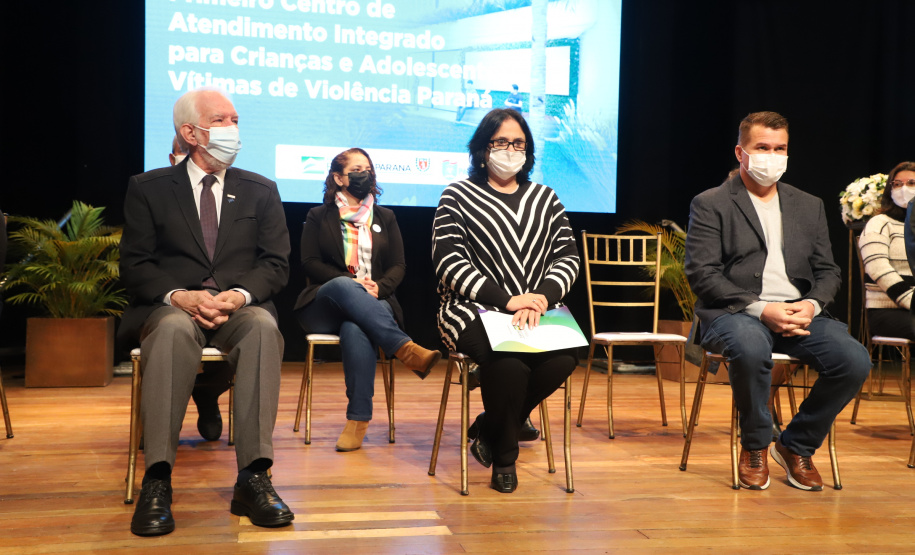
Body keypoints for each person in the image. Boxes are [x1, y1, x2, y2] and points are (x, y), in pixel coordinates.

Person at [120, 89, 294, 536]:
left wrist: (239, 295)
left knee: (261, 328)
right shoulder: (149, 188)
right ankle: (157, 480)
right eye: (222, 120)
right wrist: (179, 296)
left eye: (236, 119)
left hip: (238, 306)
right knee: (174, 330)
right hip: (176, 308)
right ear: (190, 132)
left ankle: (254, 476)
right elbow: (135, 266)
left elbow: (275, 264)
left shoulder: (261, 190)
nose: (232, 129)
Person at [685, 111, 870, 492]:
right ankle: (754, 445)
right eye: (762, 147)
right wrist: (761, 309)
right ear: (741, 152)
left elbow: (828, 271)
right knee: (751, 347)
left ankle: (796, 445)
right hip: (735, 312)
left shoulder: (808, 204)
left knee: (854, 361)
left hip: (797, 309)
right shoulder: (711, 202)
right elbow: (702, 273)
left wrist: (812, 305)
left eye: (780, 148)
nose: (772, 155)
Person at [432, 108, 580, 493]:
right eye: (501, 142)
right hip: (471, 308)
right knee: (508, 363)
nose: (510, 150)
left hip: (535, 310)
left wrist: (541, 299)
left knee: (565, 357)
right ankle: (505, 455)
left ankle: (491, 427)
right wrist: (507, 300)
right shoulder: (457, 195)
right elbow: (449, 262)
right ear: (482, 148)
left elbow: (567, 257)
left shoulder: (546, 198)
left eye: (519, 143)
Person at [293, 148, 442, 452]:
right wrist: (353, 283)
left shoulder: (385, 217)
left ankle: (358, 420)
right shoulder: (319, 216)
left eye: (368, 169)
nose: (365, 175)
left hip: (375, 301)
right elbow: (309, 262)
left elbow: (399, 265)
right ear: (338, 177)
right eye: (357, 169)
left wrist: (378, 288)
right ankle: (404, 347)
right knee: (343, 286)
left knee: (356, 327)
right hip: (325, 302)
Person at [167, 135, 233, 442]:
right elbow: (142, 265)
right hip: (172, 302)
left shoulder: (238, 191)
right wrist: (180, 297)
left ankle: (207, 395)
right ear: (174, 157)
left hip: (221, 302)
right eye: (185, 153)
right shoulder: (155, 192)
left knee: (252, 331)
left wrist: (227, 299)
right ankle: (161, 421)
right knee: (167, 333)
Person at [860, 162, 915, 340]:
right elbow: (878, 269)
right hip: (887, 310)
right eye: (897, 184)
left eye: (911, 183)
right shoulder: (880, 223)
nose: (904, 189)